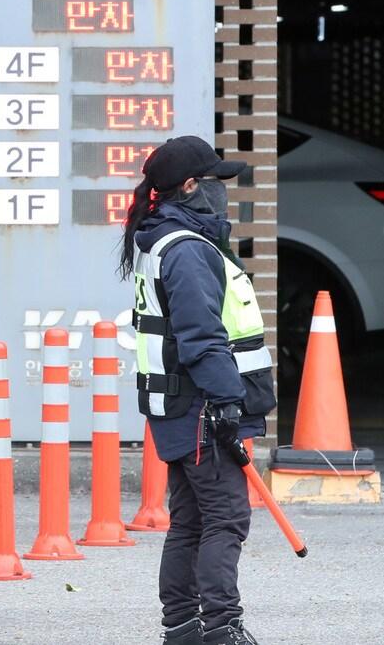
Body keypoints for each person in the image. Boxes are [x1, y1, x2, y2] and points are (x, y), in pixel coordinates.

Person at [119, 136, 276, 645]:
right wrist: (227, 403)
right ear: (190, 187)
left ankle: (184, 627)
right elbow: (202, 336)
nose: (222, 192)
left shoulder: (164, 240)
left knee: (191, 520)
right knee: (226, 519)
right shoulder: (186, 250)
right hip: (202, 409)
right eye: (215, 182)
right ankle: (220, 628)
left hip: (183, 409)